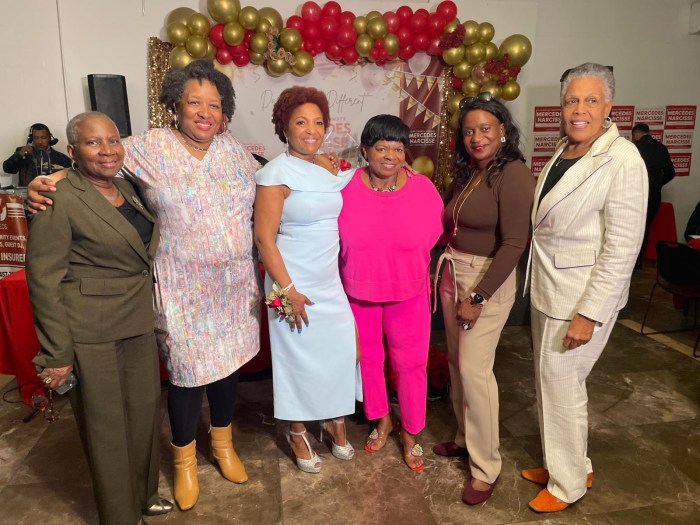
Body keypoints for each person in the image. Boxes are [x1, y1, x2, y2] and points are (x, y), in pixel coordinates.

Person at [27, 59, 260, 511]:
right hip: (179, 287)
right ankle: (185, 463)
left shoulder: (234, 151)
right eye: (194, 101)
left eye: (214, 104)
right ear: (175, 103)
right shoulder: (146, 147)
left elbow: (274, 181)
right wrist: (46, 179)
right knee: (188, 376)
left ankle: (225, 446)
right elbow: (95, 159)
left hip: (233, 286)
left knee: (229, 368)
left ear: (225, 111)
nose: (204, 112)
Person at [26, 112, 171, 525]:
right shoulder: (58, 194)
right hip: (90, 329)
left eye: (112, 140)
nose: (106, 150)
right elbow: (43, 278)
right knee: (106, 426)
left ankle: (144, 494)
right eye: (93, 143)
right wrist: (57, 351)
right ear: (71, 151)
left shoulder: (128, 188)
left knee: (143, 413)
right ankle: (119, 514)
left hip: (137, 320)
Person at [523, 63, 647, 512]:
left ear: (609, 106)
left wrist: (590, 312)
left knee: (563, 388)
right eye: (571, 100)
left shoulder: (623, 158)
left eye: (590, 100)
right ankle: (569, 462)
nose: (579, 109)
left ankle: (568, 483)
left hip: (579, 298)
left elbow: (622, 247)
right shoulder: (564, 148)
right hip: (549, 288)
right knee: (550, 384)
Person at [433, 94, 535, 503]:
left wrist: (477, 295)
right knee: (458, 365)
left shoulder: (513, 173)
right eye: (470, 130)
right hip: (452, 271)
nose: (477, 137)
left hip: (484, 279)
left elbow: (514, 243)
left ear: (503, 131)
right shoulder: (473, 172)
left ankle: (486, 465)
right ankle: (464, 436)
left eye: (485, 129)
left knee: (476, 370)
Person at [254, 86, 356, 474]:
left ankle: (332, 418)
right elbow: (264, 239)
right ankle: (297, 429)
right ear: (284, 127)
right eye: (301, 122)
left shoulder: (328, 167)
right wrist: (288, 290)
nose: (310, 129)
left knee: (335, 351)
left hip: (329, 280)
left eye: (318, 122)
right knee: (295, 357)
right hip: (290, 280)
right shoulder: (273, 174)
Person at [337, 114, 443, 471]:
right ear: (366, 150)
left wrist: (402, 261)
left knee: (411, 364)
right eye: (381, 147)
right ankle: (381, 419)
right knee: (368, 360)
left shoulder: (423, 188)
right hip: (359, 290)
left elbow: (432, 234)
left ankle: (411, 432)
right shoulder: (345, 186)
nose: (390, 156)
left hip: (409, 291)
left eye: (398, 149)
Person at [631, 123, 675, 266]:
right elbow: (670, 173)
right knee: (645, 227)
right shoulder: (661, 148)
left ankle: (628, 260)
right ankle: (638, 260)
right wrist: (657, 184)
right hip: (654, 195)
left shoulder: (634, 148)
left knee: (630, 226)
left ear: (636, 134)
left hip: (634, 193)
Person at [3, 123, 71, 186]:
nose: (40, 142)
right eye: (36, 138)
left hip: (52, 194)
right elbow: (7, 169)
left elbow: (71, 176)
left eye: (43, 138)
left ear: (49, 138)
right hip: (28, 194)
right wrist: (18, 156)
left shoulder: (61, 158)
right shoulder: (23, 153)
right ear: (31, 139)